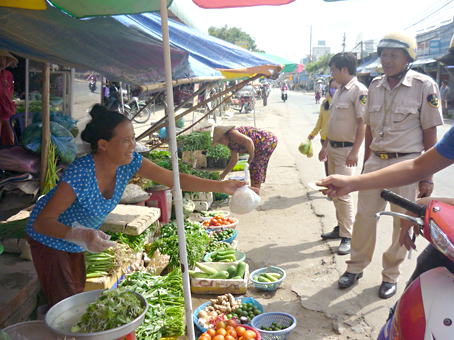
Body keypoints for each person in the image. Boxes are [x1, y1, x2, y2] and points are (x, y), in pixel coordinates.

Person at [25, 105, 257, 310]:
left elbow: (175, 179)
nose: (133, 145)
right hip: (48, 237)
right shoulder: (81, 172)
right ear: (103, 145)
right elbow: (43, 222)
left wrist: (221, 185)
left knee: (74, 294)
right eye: (126, 140)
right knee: (64, 303)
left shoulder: (129, 162)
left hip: (76, 241)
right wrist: (79, 233)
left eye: (133, 138)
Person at [325, 32, 443, 299]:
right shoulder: (375, 85)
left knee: (402, 222)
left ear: (408, 57)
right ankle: (355, 267)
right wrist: (367, 163)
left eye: (394, 54)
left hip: (409, 164)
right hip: (376, 161)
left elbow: (431, 136)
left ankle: (390, 275)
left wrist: (428, 176)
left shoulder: (424, 86)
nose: (387, 60)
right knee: (364, 218)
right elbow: (367, 130)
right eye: (384, 54)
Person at [317, 52, 368, 256]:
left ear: (344, 70)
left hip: (347, 150)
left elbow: (362, 123)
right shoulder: (338, 90)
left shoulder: (359, 91)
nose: (332, 73)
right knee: (333, 191)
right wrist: (325, 145)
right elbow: (332, 121)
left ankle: (348, 236)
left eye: (333, 69)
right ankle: (341, 228)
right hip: (333, 148)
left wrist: (356, 151)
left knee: (344, 193)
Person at [213, 125, 278, 189]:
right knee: (254, 168)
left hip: (266, 140)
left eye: (219, 141)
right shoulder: (230, 144)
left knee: (255, 166)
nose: (220, 143)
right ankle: (254, 192)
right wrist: (223, 174)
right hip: (259, 145)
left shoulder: (232, 134)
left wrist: (251, 158)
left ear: (223, 137)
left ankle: (255, 193)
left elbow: (249, 142)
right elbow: (234, 160)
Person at [308, 78, 339, 176]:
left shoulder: (342, 103)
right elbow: (320, 121)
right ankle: (330, 187)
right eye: (332, 88)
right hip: (324, 138)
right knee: (328, 167)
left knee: (337, 168)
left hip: (337, 141)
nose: (333, 90)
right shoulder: (325, 103)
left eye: (336, 88)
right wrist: (313, 133)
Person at [0, 50, 18, 145]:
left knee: (9, 141)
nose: (2, 62)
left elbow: (10, 92)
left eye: (3, 58)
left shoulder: (8, 75)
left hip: (7, 112)